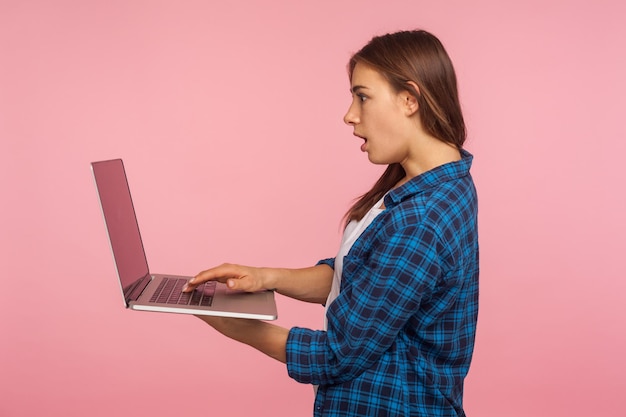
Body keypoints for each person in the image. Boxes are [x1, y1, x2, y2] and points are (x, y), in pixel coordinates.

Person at [182, 29, 479, 417]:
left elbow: (335, 356)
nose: (350, 115)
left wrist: (236, 324)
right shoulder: (436, 181)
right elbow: (361, 280)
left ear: (409, 99)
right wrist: (264, 277)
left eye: (363, 96)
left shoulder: (420, 220)